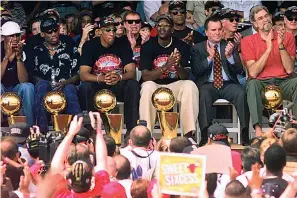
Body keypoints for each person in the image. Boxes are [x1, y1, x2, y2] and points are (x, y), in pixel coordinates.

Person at [190, 16, 250, 146]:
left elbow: (239, 70)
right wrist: (209, 58)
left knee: (241, 93)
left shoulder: (229, 46)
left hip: (228, 84)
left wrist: (230, 58)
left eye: (219, 29)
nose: (217, 32)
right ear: (206, 32)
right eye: (213, 30)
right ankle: (205, 136)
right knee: (203, 94)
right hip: (208, 84)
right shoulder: (198, 48)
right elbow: (196, 71)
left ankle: (245, 134)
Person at [139, 15, 199, 138]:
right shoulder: (147, 46)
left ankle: (189, 135)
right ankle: (146, 135)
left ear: (172, 29)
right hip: (154, 85)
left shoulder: (182, 46)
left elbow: (185, 76)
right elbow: (145, 76)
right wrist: (165, 67)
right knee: (146, 87)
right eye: (159, 25)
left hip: (174, 85)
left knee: (190, 85)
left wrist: (177, 66)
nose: (162, 28)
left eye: (166, 25)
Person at [241, 5, 297, 136]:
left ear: (271, 17)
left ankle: (294, 130)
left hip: (284, 82)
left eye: (266, 16)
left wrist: (280, 45)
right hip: (262, 84)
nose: (265, 20)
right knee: (252, 83)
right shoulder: (247, 41)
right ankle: (259, 132)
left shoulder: (287, 36)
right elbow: (253, 73)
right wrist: (268, 48)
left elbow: (289, 69)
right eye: (260, 18)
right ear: (254, 24)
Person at [79, 17, 140, 136]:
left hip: (117, 84)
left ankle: (131, 131)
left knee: (133, 84)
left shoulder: (123, 43)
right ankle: (89, 130)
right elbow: (83, 75)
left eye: (113, 30)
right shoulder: (90, 45)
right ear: (100, 31)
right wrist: (100, 78)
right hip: (98, 85)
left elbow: (131, 72)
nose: (112, 33)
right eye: (108, 30)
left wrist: (119, 77)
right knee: (85, 87)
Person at [25, 17, 81, 133]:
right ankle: (41, 131)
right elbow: (32, 75)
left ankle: (78, 131)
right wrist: (48, 83)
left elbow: (78, 74)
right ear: (42, 34)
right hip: (46, 85)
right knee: (41, 85)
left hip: (66, 84)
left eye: (55, 30)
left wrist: (65, 82)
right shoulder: (37, 50)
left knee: (70, 89)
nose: (54, 34)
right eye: (49, 32)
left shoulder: (69, 46)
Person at [1, 21, 35, 126]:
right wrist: (6, 57)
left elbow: (24, 80)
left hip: (17, 89)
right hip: (3, 89)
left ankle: (29, 129)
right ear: (3, 37)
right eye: (11, 35)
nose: (15, 38)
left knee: (28, 87)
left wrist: (19, 58)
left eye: (17, 35)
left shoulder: (25, 49)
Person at [284, 6, 297, 71]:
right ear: (285, 19)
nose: (293, 21)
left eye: (296, 18)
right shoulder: (279, 35)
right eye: (290, 18)